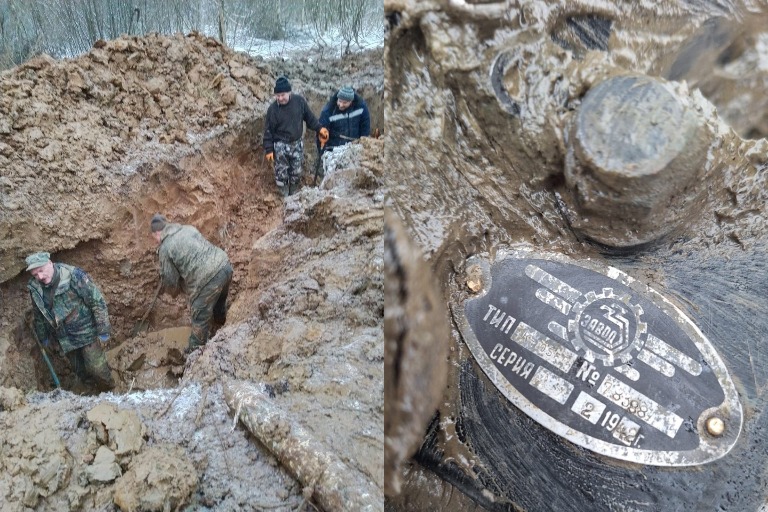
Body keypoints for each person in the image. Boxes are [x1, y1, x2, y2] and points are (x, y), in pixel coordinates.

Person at [26, 251, 115, 391]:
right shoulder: (35, 288)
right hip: (64, 340)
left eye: (41, 271)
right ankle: (91, 394)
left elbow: (97, 301)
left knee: (97, 369)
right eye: (35, 274)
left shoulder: (73, 276)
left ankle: (110, 391)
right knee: (80, 371)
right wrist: (44, 338)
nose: (40, 277)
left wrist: (103, 329)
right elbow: (39, 315)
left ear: (50, 263)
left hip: (86, 333)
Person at [150, 214, 233, 351]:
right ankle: (221, 324)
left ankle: (194, 356)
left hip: (206, 282)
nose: (156, 241)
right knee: (219, 302)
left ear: (157, 233)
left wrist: (174, 291)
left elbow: (171, 282)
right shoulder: (188, 229)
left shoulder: (165, 248)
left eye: (154, 238)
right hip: (225, 266)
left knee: (199, 322)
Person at [263, 76, 329, 196]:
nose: (280, 98)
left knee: (296, 171)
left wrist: (320, 128)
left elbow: (310, 118)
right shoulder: (272, 110)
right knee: (281, 172)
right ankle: (283, 194)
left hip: (297, 143)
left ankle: (294, 193)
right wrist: (269, 149)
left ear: (289, 92)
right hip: (281, 145)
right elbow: (268, 131)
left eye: (283, 95)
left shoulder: (299, 102)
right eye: (277, 96)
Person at [318, 85, 371, 151]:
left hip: (354, 148)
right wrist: (322, 153)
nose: (341, 105)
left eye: (344, 103)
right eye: (340, 101)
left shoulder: (361, 107)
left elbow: (365, 129)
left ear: (351, 102)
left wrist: (363, 146)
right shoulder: (329, 111)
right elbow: (321, 134)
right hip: (334, 150)